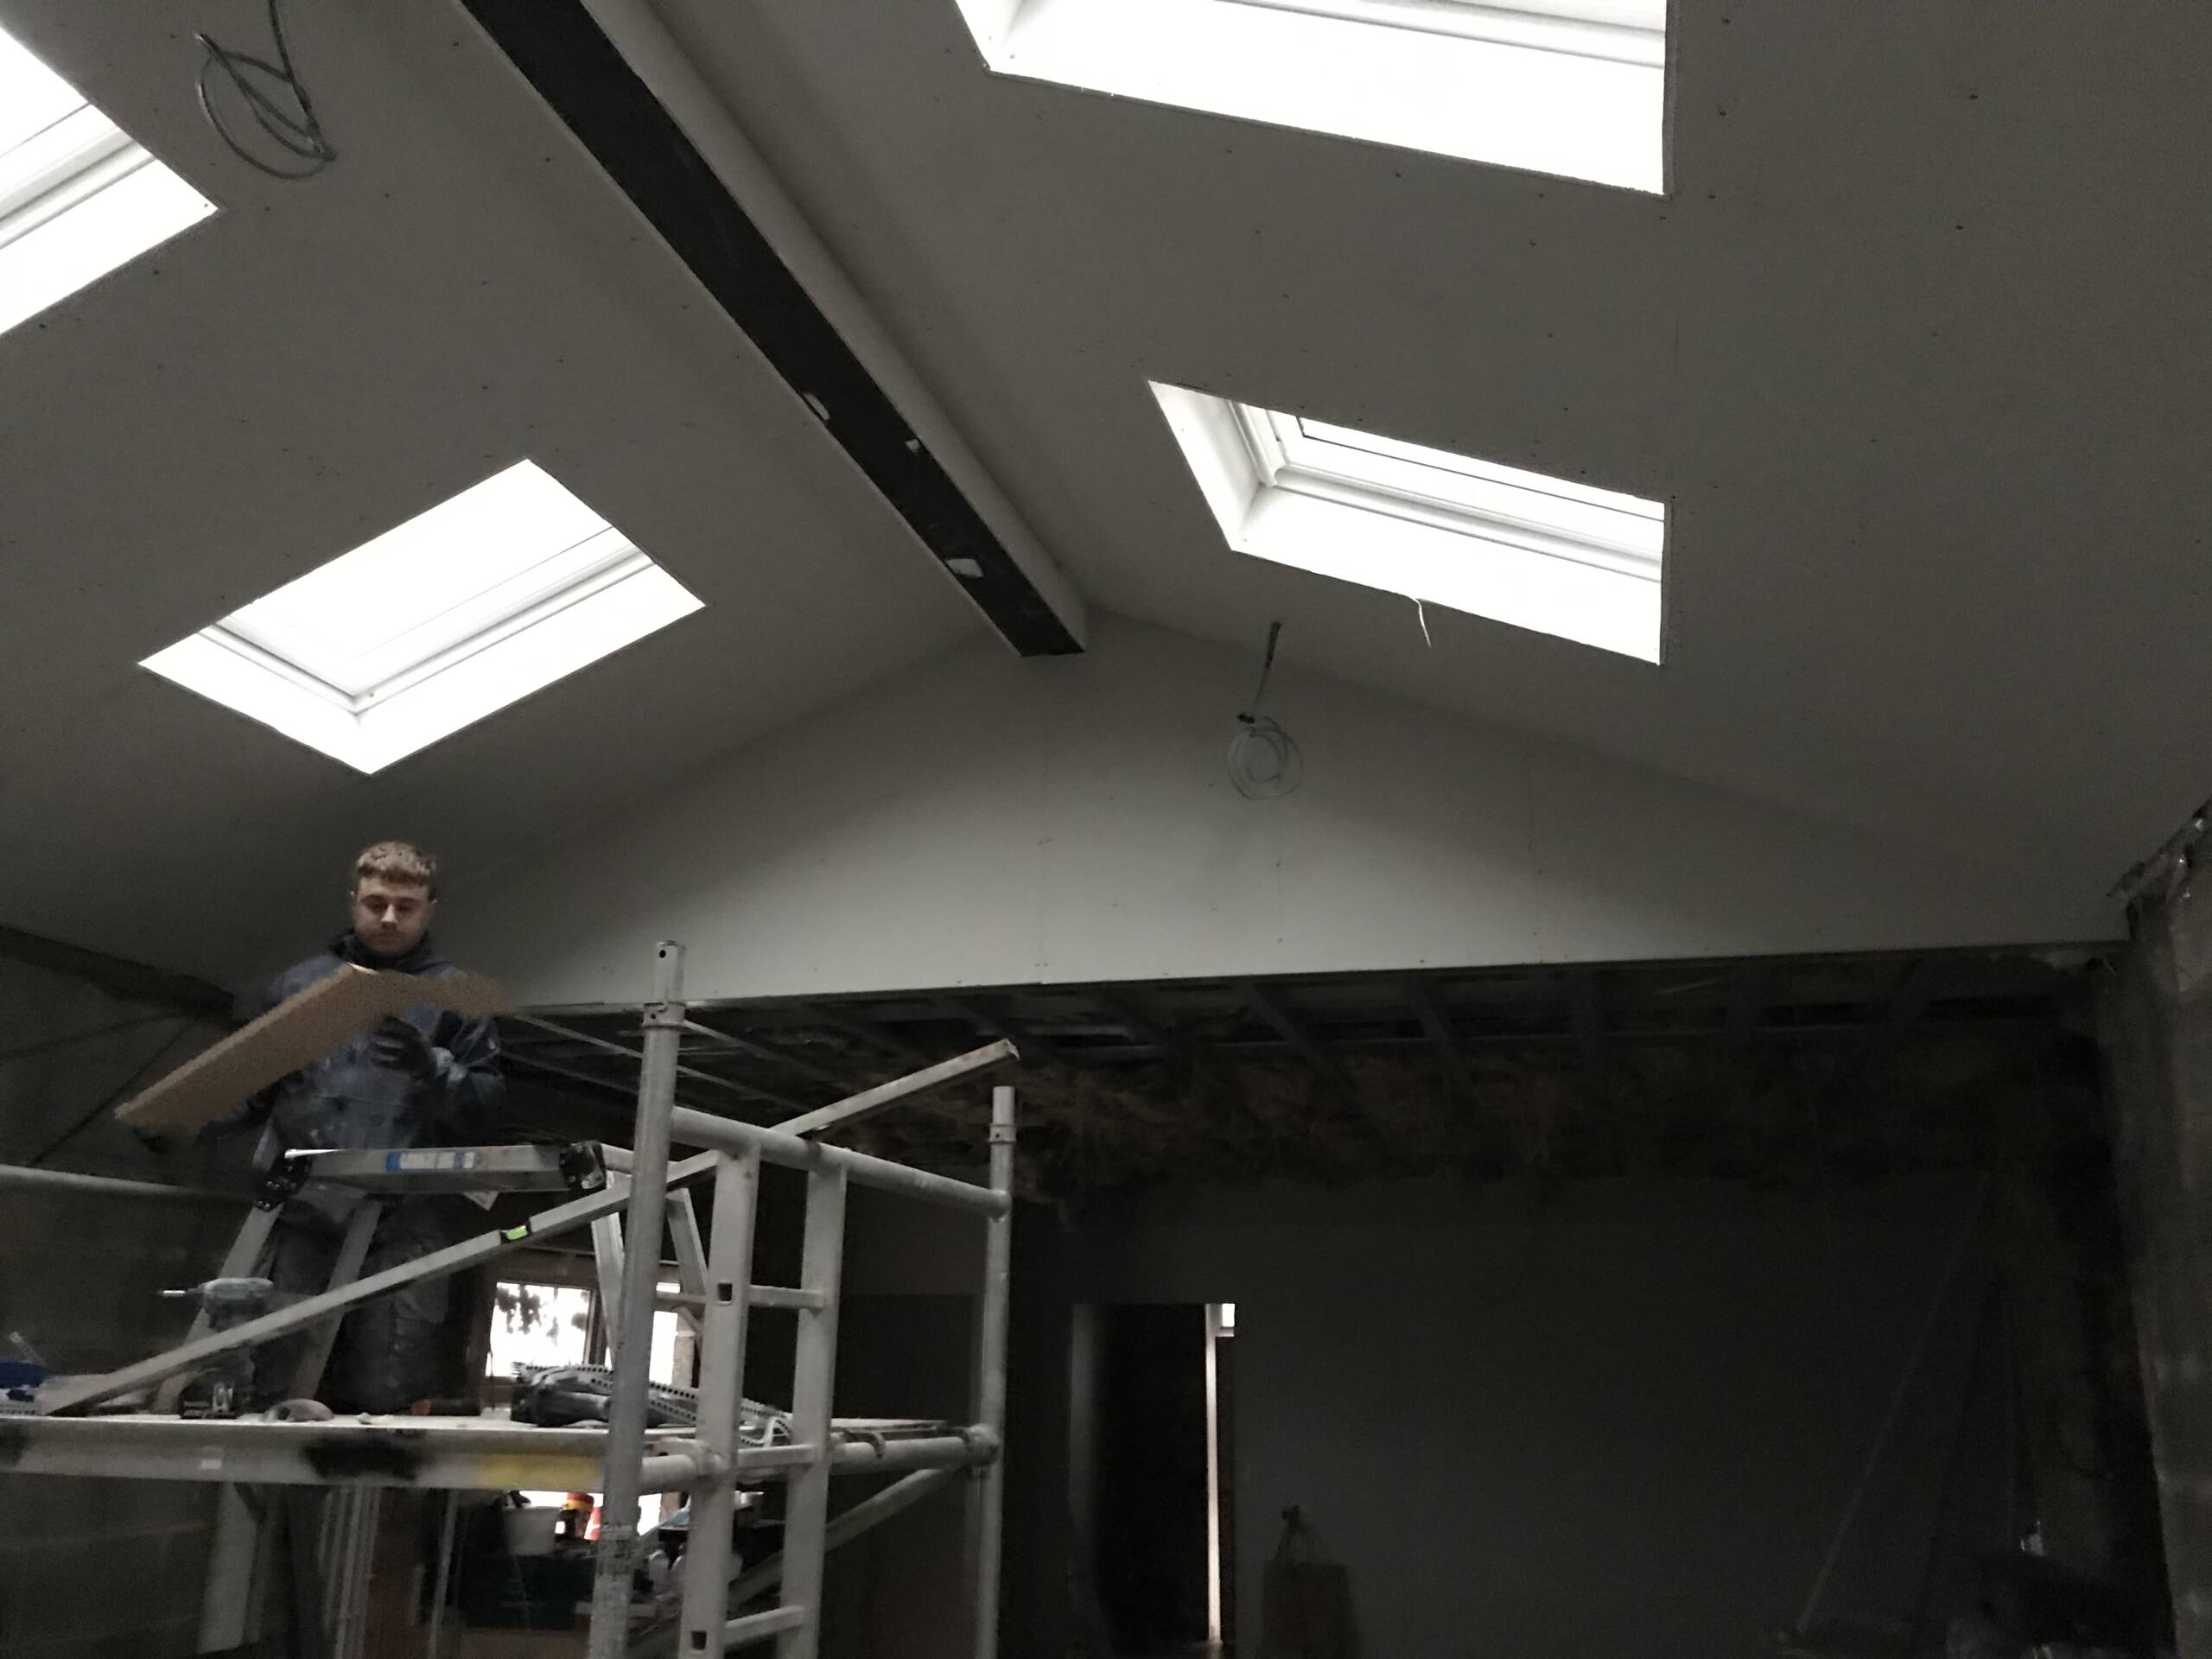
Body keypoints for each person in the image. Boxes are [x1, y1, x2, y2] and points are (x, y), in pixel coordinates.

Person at [212, 840, 505, 1412]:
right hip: (302, 1214)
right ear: (353, 902)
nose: (389, 918)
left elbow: (486, 1109)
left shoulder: (457, 999)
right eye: (376, 904)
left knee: (384, 1385)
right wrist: (188, 1120)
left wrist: (435, 1069)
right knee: (276, 1380)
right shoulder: (299, 987)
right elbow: (254, 1086)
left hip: (402, 1222)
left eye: (405, 906)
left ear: (430, 911)